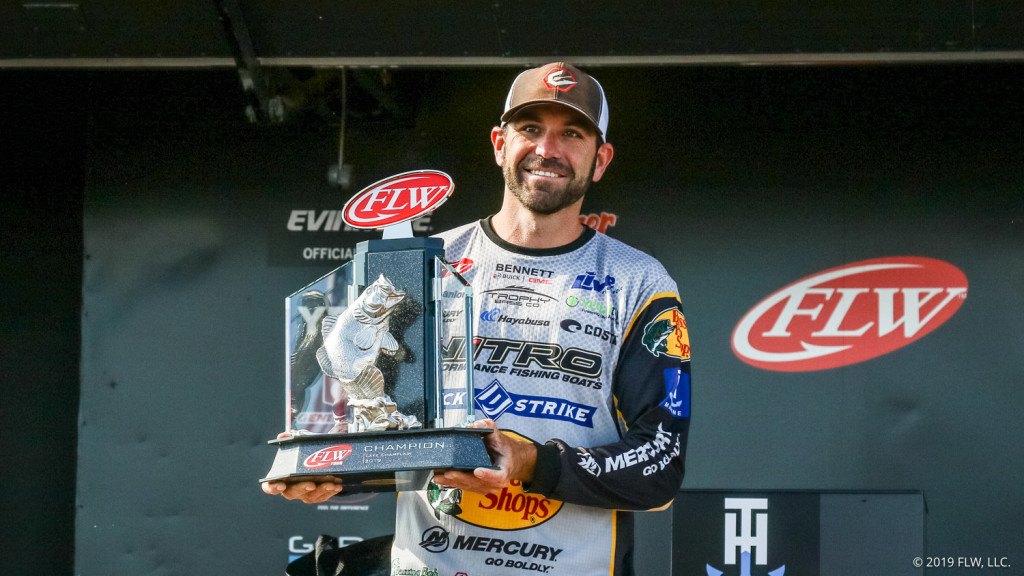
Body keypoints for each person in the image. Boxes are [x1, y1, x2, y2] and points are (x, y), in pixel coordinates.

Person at [264, 62, 692, 576]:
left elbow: (660, 462)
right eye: (530, 129)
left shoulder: (638, 281)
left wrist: (532, 461)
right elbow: (383, 418)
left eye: (571, 134)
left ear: (600, 160)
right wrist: (333, 471)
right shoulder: (428, 263)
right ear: (498, 143)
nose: (547, 149)